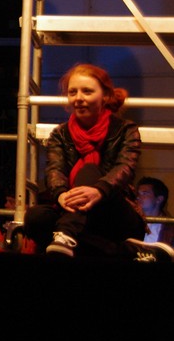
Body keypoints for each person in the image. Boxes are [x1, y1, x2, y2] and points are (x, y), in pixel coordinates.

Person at [23, 63, 171, 261]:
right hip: (75, 212)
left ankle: (66, 234)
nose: (78, 98)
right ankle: (126, 251)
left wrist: (99, 191)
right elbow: (54, 170)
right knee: (35, 217)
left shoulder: (126, 129)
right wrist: (61, 195)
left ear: (105, 96)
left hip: (115, 213)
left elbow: (125, 168)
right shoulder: (60, 134)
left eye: (87, 91)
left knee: (89, 172)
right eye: (73, 92)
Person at [136, 176, 174, 246]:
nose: (138, 197)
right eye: (138, 194)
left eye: (144, 193)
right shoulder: (130, 222)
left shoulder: (170, 230)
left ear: (159, 199)